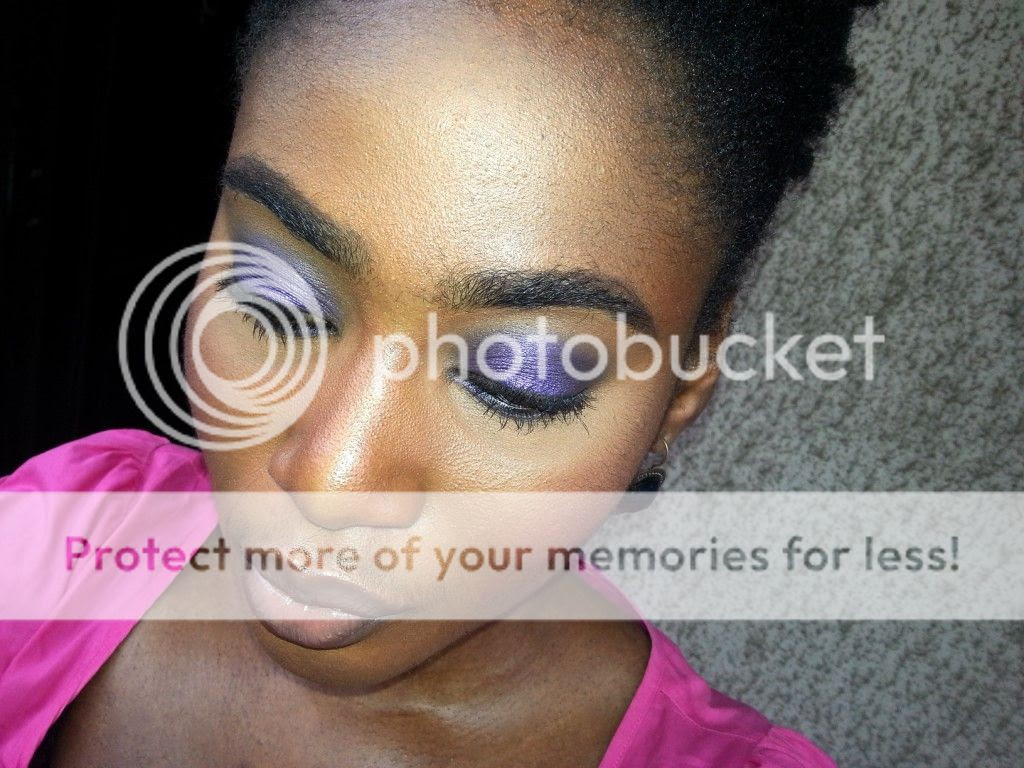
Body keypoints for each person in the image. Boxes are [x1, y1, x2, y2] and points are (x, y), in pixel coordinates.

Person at [1, 1, 873, 765]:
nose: (330, 479)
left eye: (518, 377)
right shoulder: (59, 540)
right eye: (275, 296)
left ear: (681, 387)